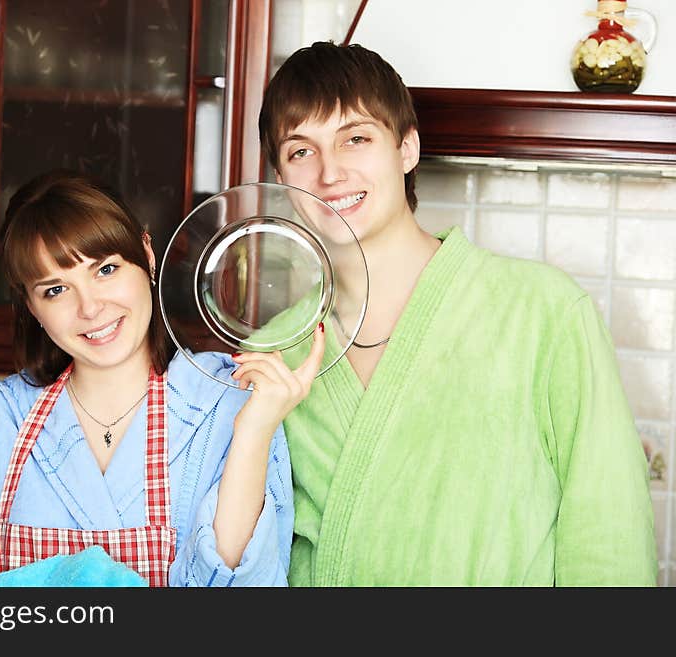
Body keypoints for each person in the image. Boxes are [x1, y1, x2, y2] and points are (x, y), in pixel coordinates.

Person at [257, 41, 657, 586]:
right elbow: (248, 559)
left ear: (406, 149)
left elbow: (609, 539)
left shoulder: (545, 313)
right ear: (280, 178)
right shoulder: (272, 353)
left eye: (356, 138)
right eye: (301, 151)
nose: (330, 174)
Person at [0, 170, 324, 587]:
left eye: (105, 270)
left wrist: (253, 432)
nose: (90, 308)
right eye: (55, 290)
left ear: (147, 254)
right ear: (31, 307)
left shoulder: (230, 405)